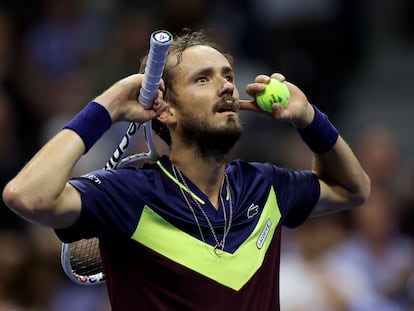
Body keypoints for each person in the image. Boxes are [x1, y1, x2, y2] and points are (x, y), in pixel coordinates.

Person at [2, 30, 370, 311]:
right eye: (203, 79)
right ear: (166, 110)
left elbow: (353, 189)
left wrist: (309, 119)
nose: (227, 86)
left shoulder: (265, 185)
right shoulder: (128, 194)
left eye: (227, 75)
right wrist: (108, 105)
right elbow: (26, 194)